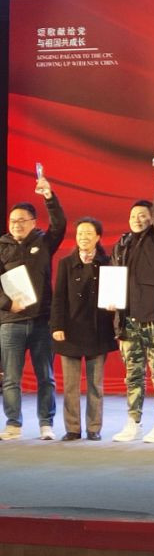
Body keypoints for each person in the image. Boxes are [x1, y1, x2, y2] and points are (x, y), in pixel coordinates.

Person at [110, 151, 154, 443]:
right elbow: (113, 277)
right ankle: (133, 422)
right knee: (132, 374)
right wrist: (112, 305)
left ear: (151, 220)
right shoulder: (122, 243)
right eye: (133, 216)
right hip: (128, 321)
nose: (137, 219)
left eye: (143, 216)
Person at [0, 175, 65, 441]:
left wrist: (49, 196)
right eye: (12, 221)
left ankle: (46, 424)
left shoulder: (43, 242)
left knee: (45, 377)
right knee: (11, 377)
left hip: (41, 320)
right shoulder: (2, 246)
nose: (16, 225)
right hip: (10, 321)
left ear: (33, 222)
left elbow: (60, 224)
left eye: (22, 220)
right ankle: (13, 424)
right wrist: (7, 303)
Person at [50, 218, 118, 440]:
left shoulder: (107, 263)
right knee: (70, 385)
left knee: (95, 384)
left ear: (98, 237)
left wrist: (115, 304)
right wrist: (57, 326)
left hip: (98, 330)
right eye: (80, 233)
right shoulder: (66, 263)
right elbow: (58, 297)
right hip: (70, 330)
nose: (83, 237)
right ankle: (72, 428)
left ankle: (94, 428)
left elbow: (116, 293)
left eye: (88, 233)